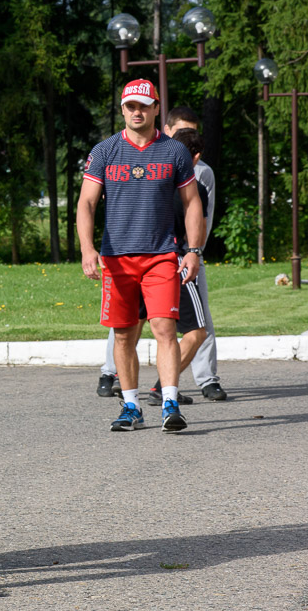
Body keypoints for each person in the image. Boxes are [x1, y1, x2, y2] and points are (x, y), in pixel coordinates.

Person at [77, 79, 205, 433]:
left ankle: (170, 403)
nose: (137, 111)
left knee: (165, 328)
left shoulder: (174, 152)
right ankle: (131, 406)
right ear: (122, 109)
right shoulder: (104, 151)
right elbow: (86, 203)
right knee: (123, 335)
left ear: (155, 108)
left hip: (162, 254)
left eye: (143, 106)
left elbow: (192, 202)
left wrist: (193, 250)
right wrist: (88, 249)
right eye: (130, 106)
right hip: (116, 258)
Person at [95, 106, 227, 402]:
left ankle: (165, 387)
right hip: (167, 258)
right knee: (187, 329)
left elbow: (197, 215)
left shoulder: (189, 172)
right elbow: (198, 218)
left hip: (160, 257)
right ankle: (151, 385)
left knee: (140, 327)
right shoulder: (174, 171)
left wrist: (194, 251)